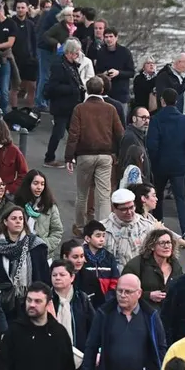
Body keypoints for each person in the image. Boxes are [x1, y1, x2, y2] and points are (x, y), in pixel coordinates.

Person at [65, 75, 124, 233]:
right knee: (104, 195)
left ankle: (79, 226)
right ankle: (103, 228)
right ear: (102, 89)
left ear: (87, 89)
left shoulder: (80, 109)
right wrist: (118, 153)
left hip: (84, 155)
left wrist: (69, 156)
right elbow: (120, 133)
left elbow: (73, 134)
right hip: (105, 156)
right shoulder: (110, 109)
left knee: (82, 193)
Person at [0, 206, 50, 321]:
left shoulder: (36, 246)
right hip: (2, 303)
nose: (18, 221)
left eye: (21, 218)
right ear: (5, 222)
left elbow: (44, 275)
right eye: (14, 218)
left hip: (31, 302)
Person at [146, 88, 185, 241]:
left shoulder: (156, 119)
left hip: (160, 164)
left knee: (158, 196)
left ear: (162, 101)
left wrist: (153, 162)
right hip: (179, 164)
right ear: (177, 101)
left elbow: (152, 144)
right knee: (180, 198)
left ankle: (159, 227)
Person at [43, 38, 85, 168]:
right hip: (62, 106)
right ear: (70, 53)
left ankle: (76, 155)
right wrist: (73, 89)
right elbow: (53, 87)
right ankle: (49, 157)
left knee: (74, 131)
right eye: (77, 53)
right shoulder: (59, 66)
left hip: (71, 105)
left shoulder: (70, 65)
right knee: (59, 132)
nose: (78, 56)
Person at [122, 228, 183, 309]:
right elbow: (124, 292)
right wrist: (148, 295)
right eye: (162, 243)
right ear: (152, 246)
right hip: (143, 313)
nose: (167, 246)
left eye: (169, 242)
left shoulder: (176, 265)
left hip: (169, 315)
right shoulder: (136, 265)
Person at [14, 169, 63, 260]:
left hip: (42, 255)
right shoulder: (16, 204)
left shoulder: (50, 206)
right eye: (35, 183)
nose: (39, 187)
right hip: (18, 253)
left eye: (42, 184)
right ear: (28, 184)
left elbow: (57, 231)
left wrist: (42, 245)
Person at [102, 188, 156, 271]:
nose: (129, 212)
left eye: (131, 207)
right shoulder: (103, 229)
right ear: (114, 208)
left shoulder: (148, 226)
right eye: (124, 209)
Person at [94, 27, 135, 119]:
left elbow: (131, 72)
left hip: (121, 93)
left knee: (121, 120)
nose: (108, 39)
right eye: (106, 37)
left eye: (111, 36)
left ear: (116, 38)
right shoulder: (101, 52)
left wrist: (118, 73)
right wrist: (103, 74)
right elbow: (97, 72)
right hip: (105, 92)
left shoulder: (125, 52)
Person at [81, 221, 120, 307]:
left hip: (106, 300)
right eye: (98, 236)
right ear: (87, 238)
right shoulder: (81, 257)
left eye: (103, 235)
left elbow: (115, 279)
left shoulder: (109, 257)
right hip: (85, 300)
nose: (102, 239)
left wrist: (109, 297)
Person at [11, 0, 38, 109]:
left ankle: (29, 110)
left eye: (22, 7)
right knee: (15, 87)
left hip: (29, 59)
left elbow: (34, 41)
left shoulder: (30, 24)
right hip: (15, 59)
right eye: (18, 7)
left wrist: (34, 56)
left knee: (32, 86)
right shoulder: (11, 22)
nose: (20, 10)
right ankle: (14, 110)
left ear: (27, 9)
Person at [118, 105, 151, 184]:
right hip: (135, 185)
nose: (146, 121)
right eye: (143, 117)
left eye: (148, 118)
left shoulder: (140, 136)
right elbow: (126, 163)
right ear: (134, 119)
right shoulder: (130, 137)